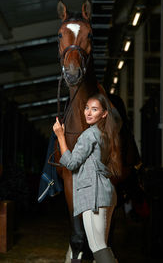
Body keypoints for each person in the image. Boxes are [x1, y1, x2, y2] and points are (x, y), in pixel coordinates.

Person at [53, 93, 122, 263]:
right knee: (102, 246)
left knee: (97, 247)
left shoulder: (89, 135)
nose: (88, 113)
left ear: (104, 113)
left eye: (94, 109)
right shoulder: (107, 134)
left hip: (93, 194)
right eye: (86, 108)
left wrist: (60, 136)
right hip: (107, 193)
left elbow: (71, 163)